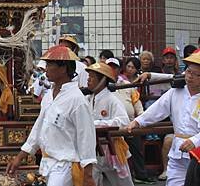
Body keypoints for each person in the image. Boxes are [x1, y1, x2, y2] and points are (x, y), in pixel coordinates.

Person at [6, 45, 97, 186]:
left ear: (63, 68)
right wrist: (20, 157)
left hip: (65, 164)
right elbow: (39, 127)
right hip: (47, 162)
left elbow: (86, 138)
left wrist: (88, 174)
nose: (46, 68)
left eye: (50, 65)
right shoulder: (49, 95)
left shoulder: (77, 100)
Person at [126, 50, 200, 186]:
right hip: (178, 150)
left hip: (198, 154)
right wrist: (138, 121)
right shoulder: (177, 90)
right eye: (189, 72)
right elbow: (158, 108)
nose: (190, 77)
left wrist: (195, 141)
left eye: (197, 75)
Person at [85, 62, 134, 186]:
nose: (88, 80)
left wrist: (98, 124)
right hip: (94, 149)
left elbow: (124, 121)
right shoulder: (88, 99)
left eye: (92, 77)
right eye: (88, 76)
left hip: (112, 149)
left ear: (102, 80)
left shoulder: (112, 99)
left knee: (123, 183)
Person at [106, 58, 154, 183]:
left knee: (136, 149)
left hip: (130, 123)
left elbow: (136, 103)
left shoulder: (127, 84)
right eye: (109, 67)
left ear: (118, 69)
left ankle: (141, 175)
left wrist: (142, 118)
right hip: (111, 125)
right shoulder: (101, 86)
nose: (112, 70)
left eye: (114, 67)